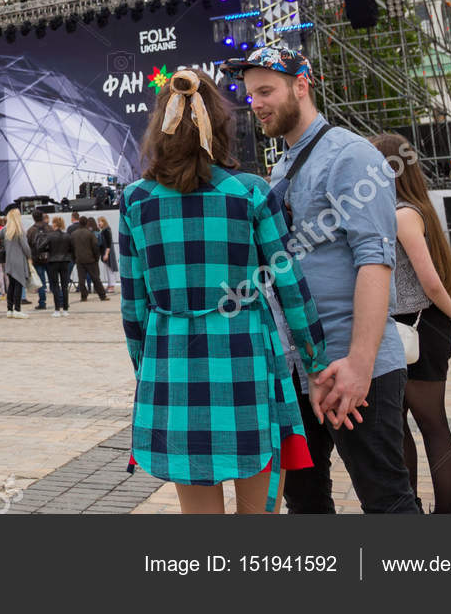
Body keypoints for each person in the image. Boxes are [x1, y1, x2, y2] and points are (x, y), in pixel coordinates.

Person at [120, 68, 327, 514]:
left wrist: (147, 365)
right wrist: (315, 359)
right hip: (245, 360)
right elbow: (289, 284)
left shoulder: (135, 200)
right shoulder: (251, 193)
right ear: (220, 124)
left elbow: (133, 305)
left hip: (172, 362)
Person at [225, 44, 421, 514]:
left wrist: (359, 364)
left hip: (350, 365)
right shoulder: (283, 166)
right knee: (307, 502)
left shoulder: (351, 156)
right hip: (301, 369)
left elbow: (376, 261)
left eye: (266, 91)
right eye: (250, 95)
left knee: (386, 501)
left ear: (301, 84)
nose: (257, 104)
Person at [372, 134, 451, 514]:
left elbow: (430, 280)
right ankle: (410, 505)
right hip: (405, 328)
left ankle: (445, 512)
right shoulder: (406, 209)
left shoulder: (402, 213)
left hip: (419, 327)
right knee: (397, 426)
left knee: (430, 424)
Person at [0, 209, 32, 317]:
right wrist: (29, 256)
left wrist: (6, 227)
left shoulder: (6, 230)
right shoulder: (20, 230)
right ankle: (17, 309)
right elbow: (26, 247)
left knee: (11, 285)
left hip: (9, 261)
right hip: (19, 261)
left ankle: (9, 310)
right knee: (19, 284)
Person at [40, 216, 72, 317]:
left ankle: (57, 309)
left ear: (54, 224)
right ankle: (65, 309)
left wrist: (48, 250)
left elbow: (41, 246)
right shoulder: (67, 236)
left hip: (53, 261)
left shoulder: (50, 236)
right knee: (64, 286)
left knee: (55, 285)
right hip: (65, 261)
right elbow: (72, 248)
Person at [69, 215, 105, 301]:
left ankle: (83, 296)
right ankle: (102, 295)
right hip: (91, 259)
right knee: (96, 278)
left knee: (81, 280)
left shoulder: (74, 234)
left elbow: (71, 248)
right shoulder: (90, 234)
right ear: (86, 223)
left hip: (79, 260)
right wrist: (96, 258)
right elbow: (95, 246)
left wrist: (74, 258)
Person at [26, 211, 50, 311]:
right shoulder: (49, 228)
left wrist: (29, 258)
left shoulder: (31, 230)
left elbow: (28, 245)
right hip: (49, 257)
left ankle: (42, 302)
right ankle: (60, 301)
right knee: (53, 281)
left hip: (37, 258)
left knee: (41, 282)